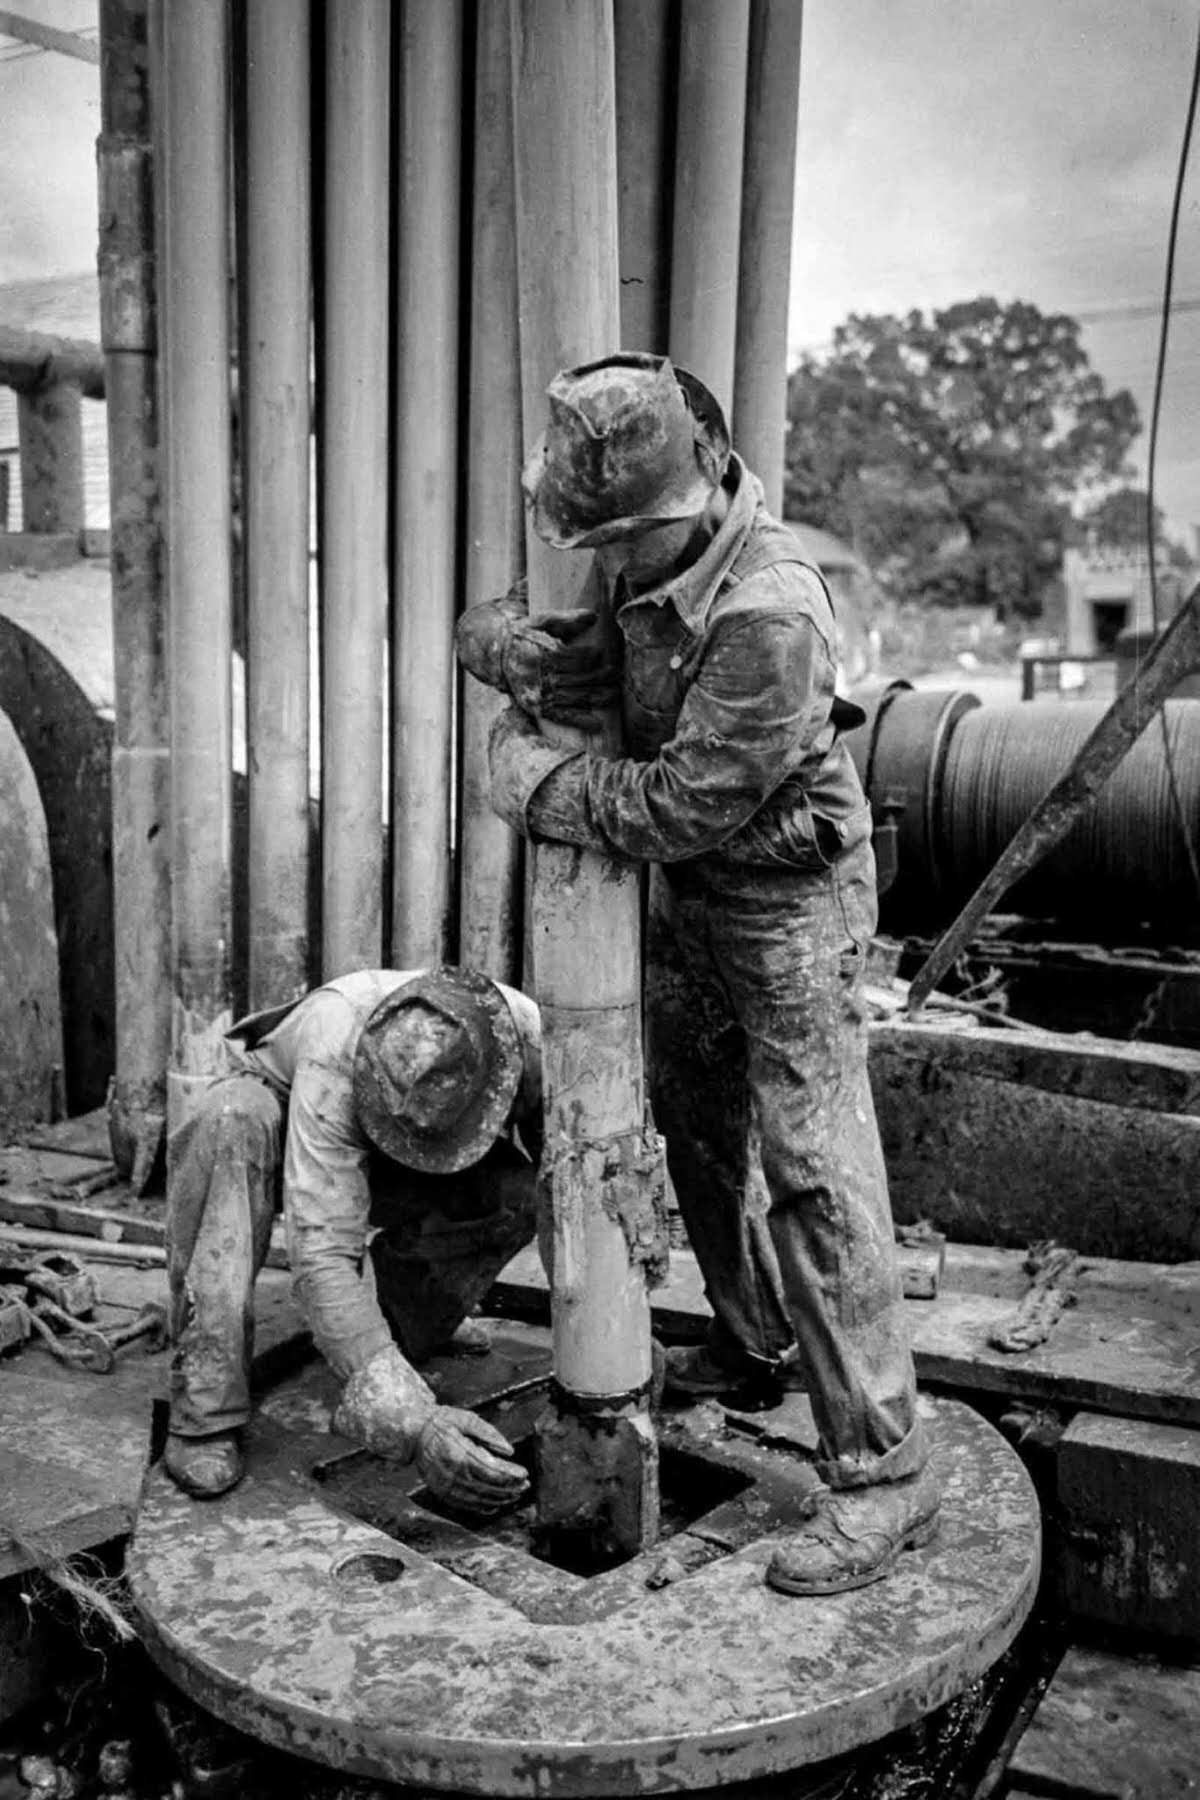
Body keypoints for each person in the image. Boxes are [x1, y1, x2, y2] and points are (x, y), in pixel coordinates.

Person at [455, 351, 938, 1596]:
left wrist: (537, 784)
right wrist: (512, 650)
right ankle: (757, 1342)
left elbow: (676, 807)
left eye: (633, 539)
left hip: (787, 901)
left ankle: (882, 1474)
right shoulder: (635, 550)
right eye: (599, 543)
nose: (616, 565)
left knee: (818, 1174)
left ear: (714, 474)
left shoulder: (769, 612)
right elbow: (491, 628)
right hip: (696, 902)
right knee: (702, 1130)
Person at [164, 965, 541, 1517]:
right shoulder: (335, 1054)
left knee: (520, 1193)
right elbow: (322, 1254)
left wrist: (611, 1339)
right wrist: (413, 1421)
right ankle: (205, 1412)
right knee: (230, 1124)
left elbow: (578, 1179)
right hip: (286, 1111)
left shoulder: (528, 1040)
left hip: (426, 1142)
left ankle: (404, 1329)